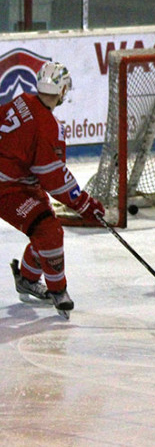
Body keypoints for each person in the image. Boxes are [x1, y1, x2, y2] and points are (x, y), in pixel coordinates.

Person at [0, 61, 105, 318]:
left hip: (18, 183)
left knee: (43, 228)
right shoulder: (48, 127)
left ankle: (26, 277)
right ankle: (58, 290)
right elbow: (53, 177)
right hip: (8, 188)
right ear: (63, 90)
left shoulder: (21, 100)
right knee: (49, 230)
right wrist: (85, 204)